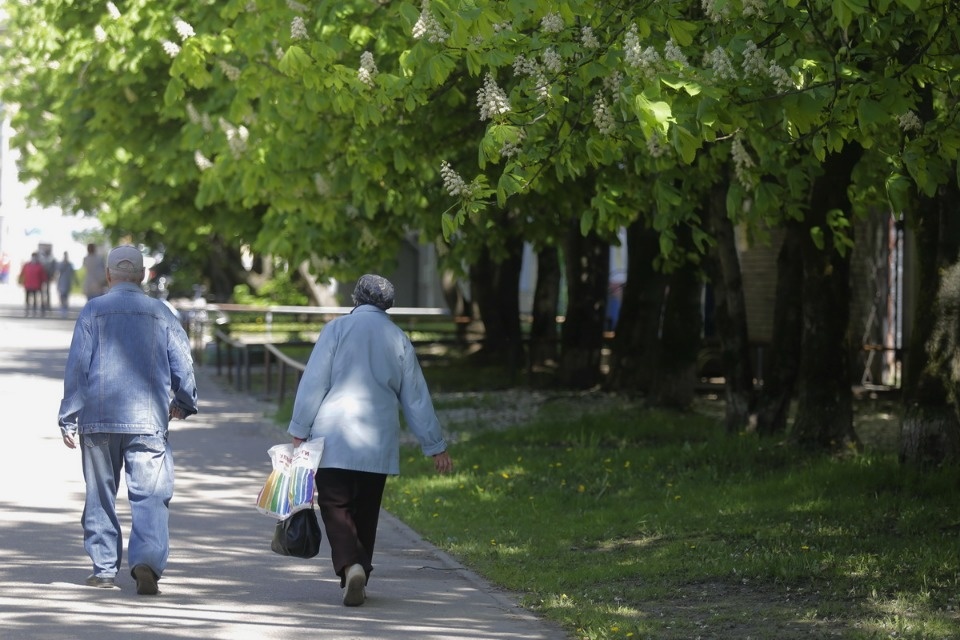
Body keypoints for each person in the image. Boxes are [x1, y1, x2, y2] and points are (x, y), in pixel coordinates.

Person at [287, 274, 453, 607]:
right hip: (377, 440)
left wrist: (299, 427)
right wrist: (435, 445)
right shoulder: (398, 337)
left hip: (333, 436)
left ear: (356, 298)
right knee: (366, 510)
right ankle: (359, 567)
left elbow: (314, 380)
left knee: (335, 505)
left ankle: (351, 565)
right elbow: (416, 398)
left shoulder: (336, 329)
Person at [58, 245, 199, 595]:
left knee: (100, 495)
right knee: (150, 494)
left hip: (98, 420)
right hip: (148, 419)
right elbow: (183, 361)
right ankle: (146, 562)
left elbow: (78, 365)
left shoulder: (93, 310)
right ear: (142, 276)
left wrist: (68, 416)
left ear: (108, 275)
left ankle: (104, 569)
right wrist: (183, 401)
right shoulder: (160, 312)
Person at [18, 252, 48, 317]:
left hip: (36, 285)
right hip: (28, 284)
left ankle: (34, 310)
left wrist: (44, 281)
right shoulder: (27, 265)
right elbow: (22, 273)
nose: (34, 258)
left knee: (35, 298)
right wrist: (20, 281)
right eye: (33, 257)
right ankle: (27, 309)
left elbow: (43, 275)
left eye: (35, 257)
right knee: (27, 298)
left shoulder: (39, 266)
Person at [56, 251, 77, 316]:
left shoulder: (70, 264)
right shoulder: (61, 264)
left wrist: (76, 281)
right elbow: (57, 272)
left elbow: (73, 274)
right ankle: (62, 307)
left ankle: (65, 308)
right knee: (62, 295)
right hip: (61, 281)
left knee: (66, 296)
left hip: (68, 282)